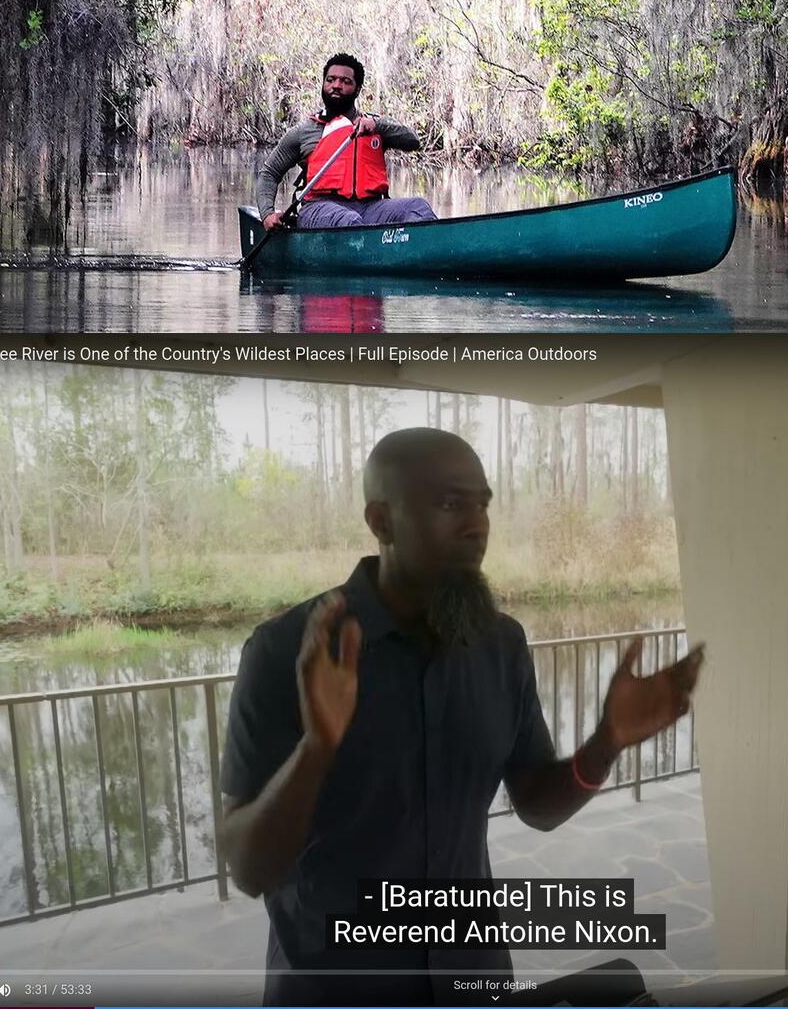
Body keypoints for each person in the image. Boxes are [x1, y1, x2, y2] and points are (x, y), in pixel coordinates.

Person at [220, 427, 705, 1007]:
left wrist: (607, 742)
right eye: (451, 504)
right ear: (381, 522)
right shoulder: (286, 653)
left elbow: (535, 805)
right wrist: (317, 749)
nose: (477, 526)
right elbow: (251, 869)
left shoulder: (500, 645)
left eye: (483, 504)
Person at [255, 53, 438, 231]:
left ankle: (423, 257)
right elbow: (269, 173)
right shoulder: (304, 132)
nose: (336, 85)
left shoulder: (373, 126)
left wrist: (377, 126)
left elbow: (413, 141)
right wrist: (267, 213)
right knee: (349, 220)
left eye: (345, 81)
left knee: (418, 207)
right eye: (330, 80)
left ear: (357, 89)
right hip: (319, 208)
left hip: (371, 208)